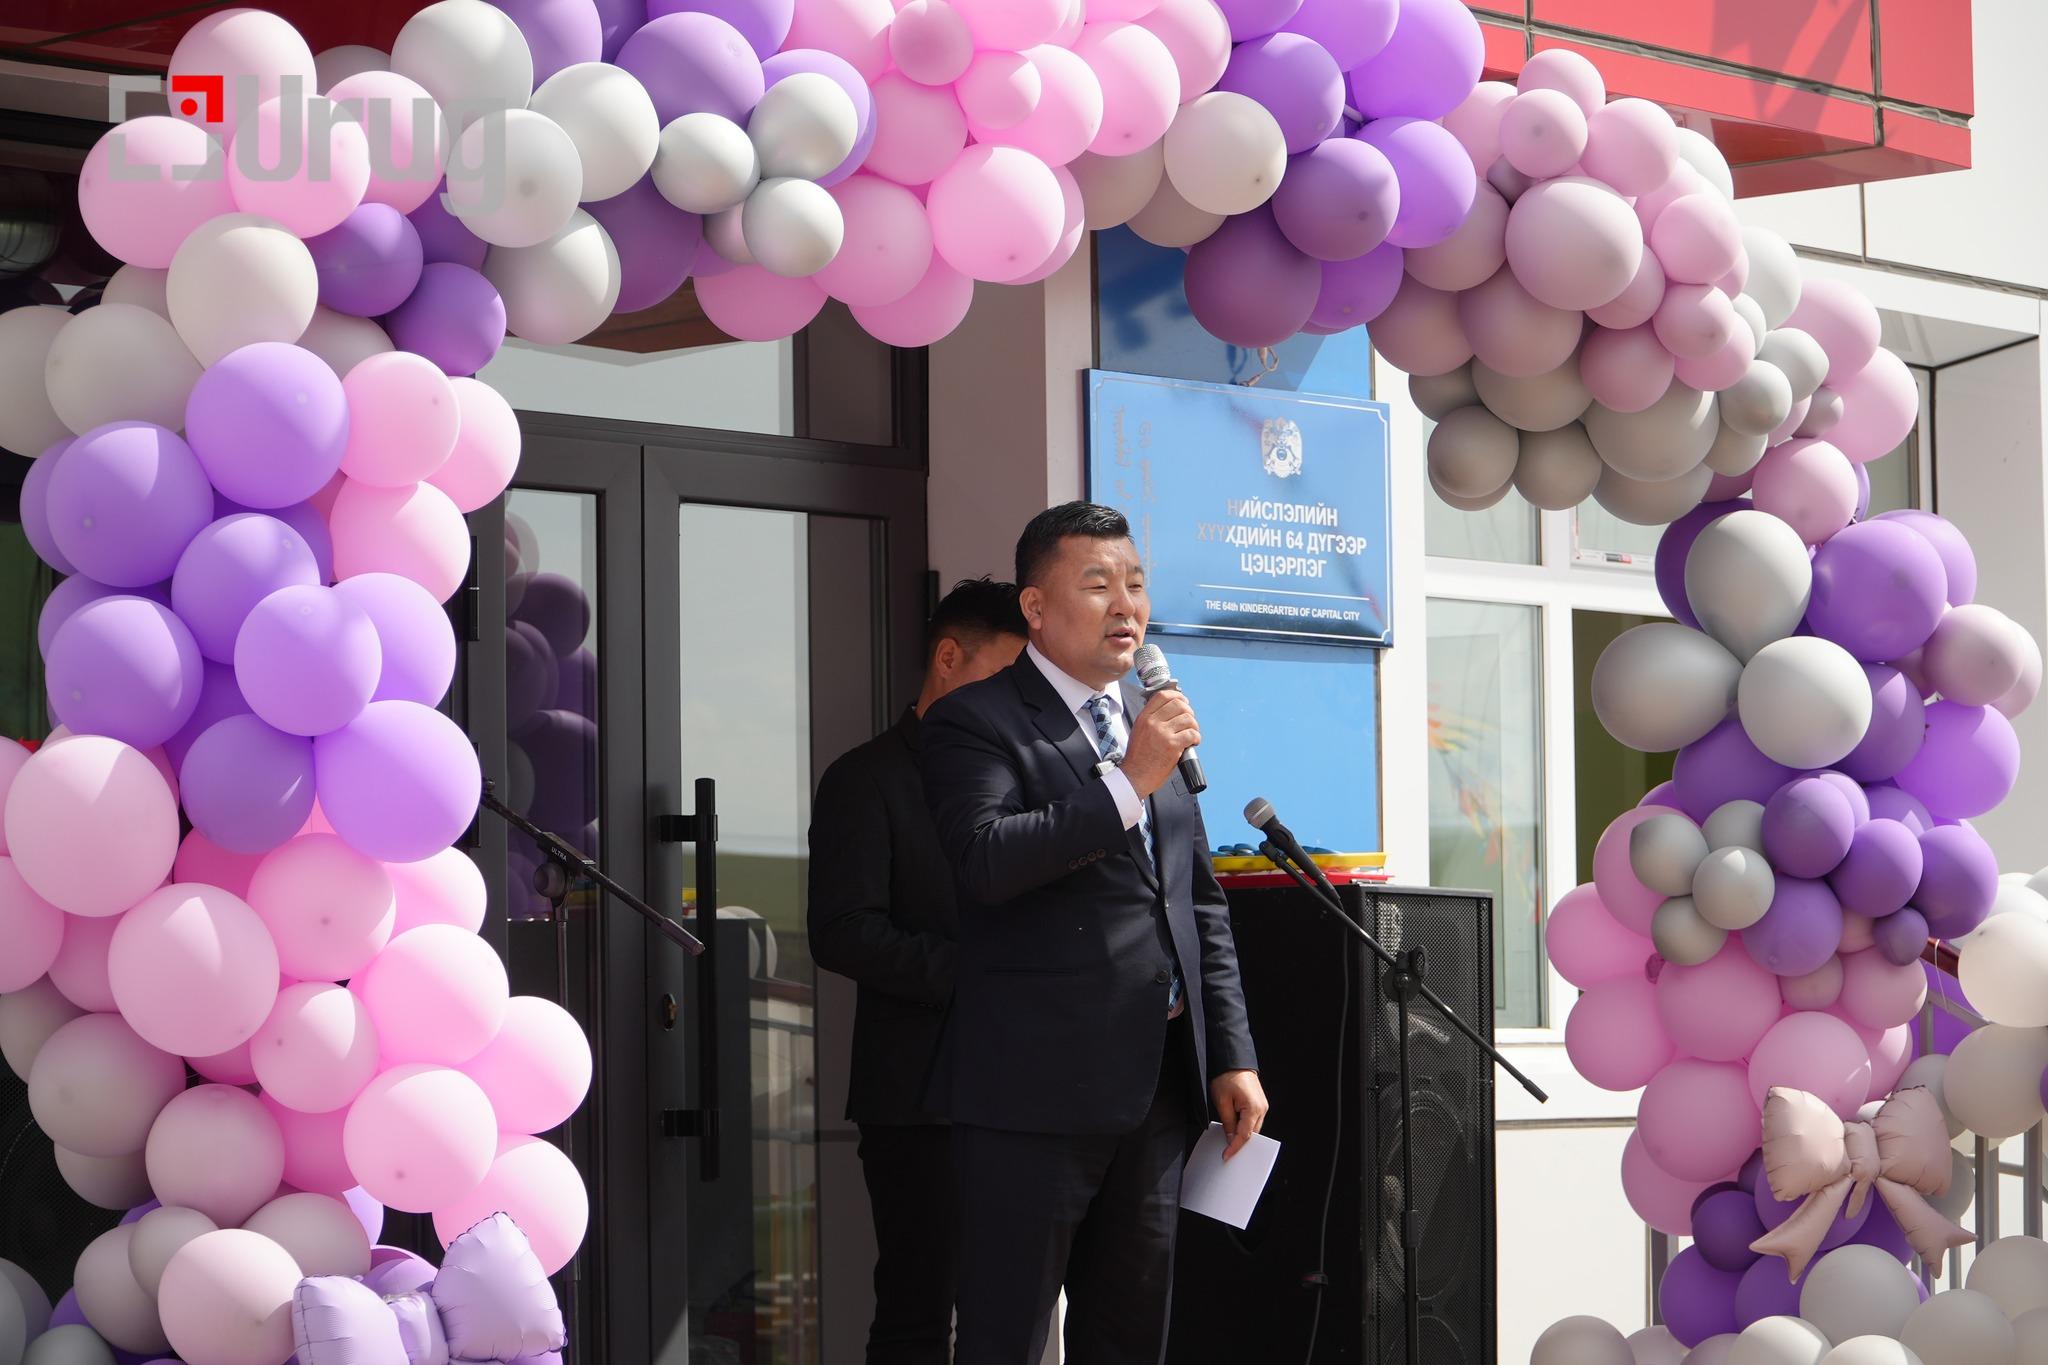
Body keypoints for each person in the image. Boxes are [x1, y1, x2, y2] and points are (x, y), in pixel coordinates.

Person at [920, 502, 1268, 1365]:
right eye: (1098, 583)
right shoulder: (978, 720)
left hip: (1155, 1094)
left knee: (1129, 1338)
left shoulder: (1153, 722)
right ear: (1036, 608)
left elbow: (1198, 903)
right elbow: (986, 859)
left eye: (1136, 584)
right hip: (1030, 1100)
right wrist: (1127, 782)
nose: (1126, 606)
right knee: (1005, 1339)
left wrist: (1231, 1053)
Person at [808, 577, 1029, 1365]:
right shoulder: (866, 777)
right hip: (919, 1098)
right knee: (917, 1309)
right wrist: (981, 977)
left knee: (1016, 1311)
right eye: (1006, 676)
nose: (1018, 701)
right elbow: (843, 931)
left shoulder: (1021, 777)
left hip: (1025, 1092)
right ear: (947, 657)